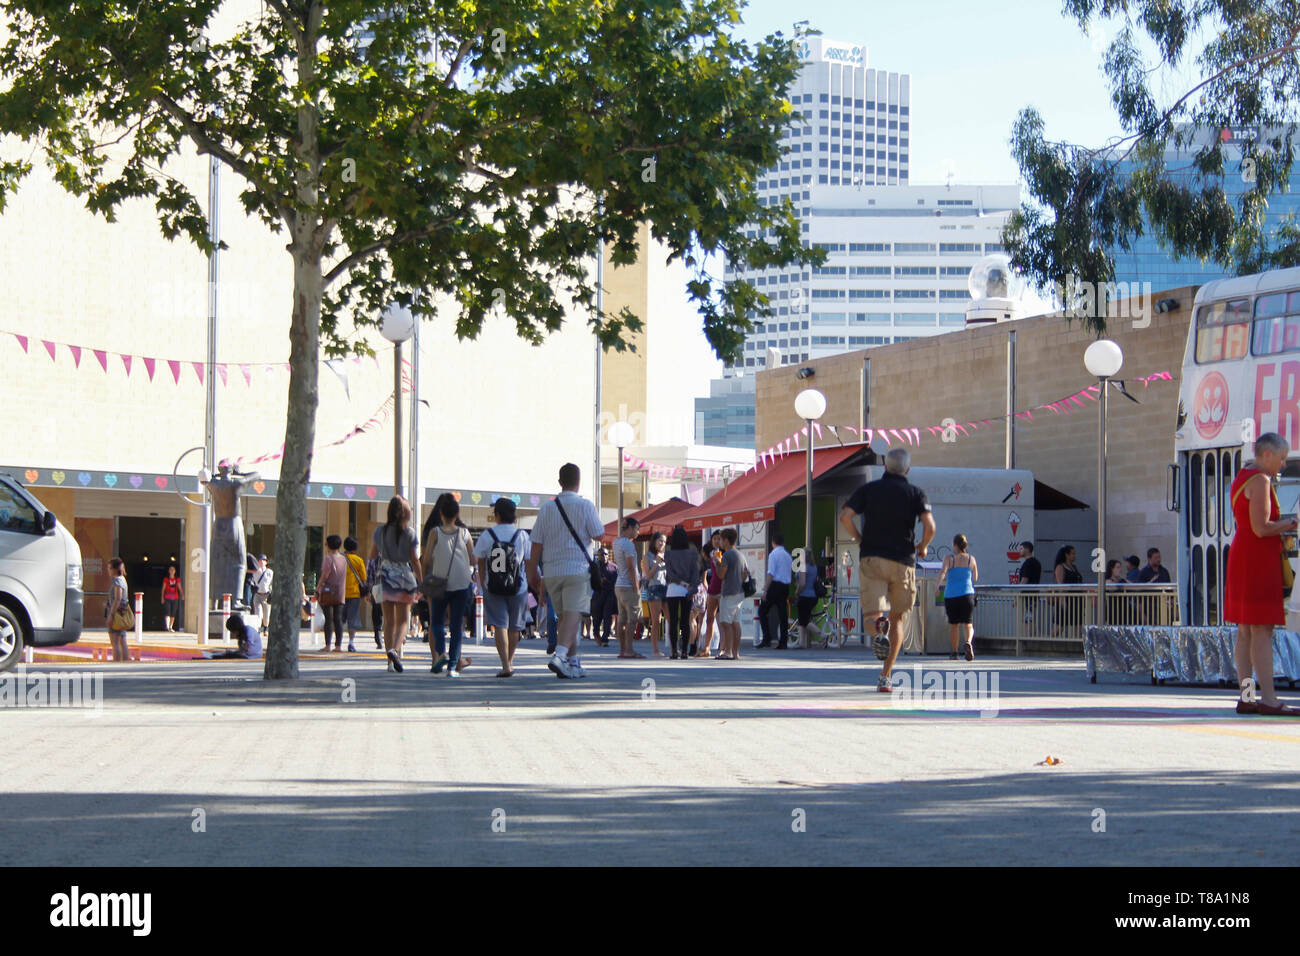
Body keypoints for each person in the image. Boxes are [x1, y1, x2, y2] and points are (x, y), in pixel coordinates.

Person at [839, 447, 936, 694]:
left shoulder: (868, 490)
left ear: (885, 467)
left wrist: (860, 539)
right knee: (898, 619)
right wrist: (923, 547)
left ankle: (878, 628)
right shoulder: (915, 493)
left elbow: (846, 517)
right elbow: (930, 526)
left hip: (872, 557)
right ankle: (886, 676)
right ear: (907, 469)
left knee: (872, 615)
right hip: (903, 560)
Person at [1226, 432, 1300, 716]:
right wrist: (1292, 522)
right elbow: (1262, 528)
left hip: (1242, 555)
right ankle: (1269, 700)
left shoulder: (1242, 478)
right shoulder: (1261, 481)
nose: (1282, 465)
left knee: (1244, 632)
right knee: (1261, 631)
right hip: (1256, 558)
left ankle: (1247, 697)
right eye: (1281, 459)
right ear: (1266, 454)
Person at [526, 463, 606, 679]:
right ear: (579, 482)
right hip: (577, 568)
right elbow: (599, 534)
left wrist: (532, 572)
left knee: (564, 618)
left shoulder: (547, 508)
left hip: (551, 570)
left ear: (559, 482)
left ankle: (572, 662)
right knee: (574, 614)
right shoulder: (585, 505)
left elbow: (536, 543)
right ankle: (560, 656)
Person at [475, 497, 531, 678]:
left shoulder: (487, 535)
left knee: (500, 624)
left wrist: (482, 583)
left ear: (497, 515)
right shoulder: (521, 535)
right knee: (515, 627)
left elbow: (480, 561)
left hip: (494, 585)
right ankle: (510, 661)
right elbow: (528, 561)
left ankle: (505, 663)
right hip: (518, 586)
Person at [422, 494, 475, 678]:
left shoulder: (434, 532)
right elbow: (473, 558)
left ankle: (441, 652)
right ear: (457, 513)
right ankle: (453, 667)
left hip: (439, 583)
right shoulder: (465, 533)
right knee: (456, 626)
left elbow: (427, 558)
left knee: (436, 622)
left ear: (441, 513)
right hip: (461, 584)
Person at [371, 495, 422, 672]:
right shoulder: (410, 533)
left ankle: (389, 663)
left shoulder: (380, 531)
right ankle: (395, 650)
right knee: (403, 621)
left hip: (384, 575)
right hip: (404, 577)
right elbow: (415, 560)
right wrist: (421, 582)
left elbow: (372, 555)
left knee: (389, 622)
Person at [664, 524, 703, 660]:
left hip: (673, 589)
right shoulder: (692, 554)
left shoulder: (668, 553)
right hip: (687, 590)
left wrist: (680, 582)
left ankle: (674, 651)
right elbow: (695, 573)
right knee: (685, 621)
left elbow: (669, 573)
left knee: (673, 621)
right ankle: (685, 651)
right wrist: (691, 587)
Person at [939, 533, 978, 661]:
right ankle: (968, 642)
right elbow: (975, 577)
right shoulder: (971, 559)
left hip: (951, 595)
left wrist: (937, 586)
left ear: (954, 544)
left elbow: (943, 572)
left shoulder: (949, 558)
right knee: (968, 623)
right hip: (967, 594)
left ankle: (955, 653)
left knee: (954, 625)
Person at [714, 527, 747, 660]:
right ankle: (735, 652)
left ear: (726, 541)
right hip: (739, 592)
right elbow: (745, 574)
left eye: (721, 539)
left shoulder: (727, 555)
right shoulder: (741, 555)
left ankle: (727, 651)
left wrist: (717, 563)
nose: (720, 542)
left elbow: (721, 574)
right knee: (735, 623)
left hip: (728, 592)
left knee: (725, 623)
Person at [612, 517, 643, 659]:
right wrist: (636, 587)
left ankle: (622, 650)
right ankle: (629, 650)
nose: (638, 532)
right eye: (636, 528)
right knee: (632, 619)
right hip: (628, 585)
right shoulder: (629, 545)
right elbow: (631, 567)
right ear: (629, 528)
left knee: (621, 618)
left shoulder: (616, 542)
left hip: (619, 584)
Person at [757, 532, 793, 649]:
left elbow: (771, 573)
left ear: (773, 542)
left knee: (762, 611)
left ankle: (766, 638)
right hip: (785, 586)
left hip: (775, 586)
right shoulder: (788, 555)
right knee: (782, 614)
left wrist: (765, 590)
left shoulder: (773, 554)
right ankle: (783, 641)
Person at [641, 531, 669, 657]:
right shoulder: (648, 557)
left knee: (670, 619)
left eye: (664, 541)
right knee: (656, 620)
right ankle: (655, 649)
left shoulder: (666, 555)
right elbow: (648, 575)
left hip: (666, 588)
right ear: (654, 541)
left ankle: (674, 648)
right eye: (660, 540)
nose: (662, 543)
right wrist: (657, 563)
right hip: (654, 588)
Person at [698, 531, 724, 657]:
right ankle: (707, 647)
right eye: (714, 539)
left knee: (722, 621)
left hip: (722, 588)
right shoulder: (711, 553)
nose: (716, 541)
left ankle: (722, 647)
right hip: (713, 587)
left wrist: (718, 560)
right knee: (709, 619)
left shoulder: (723, 554)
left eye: (719, 539)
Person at [1051, 545, 1083, 637]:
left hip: (1077, 600)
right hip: (1066, 598)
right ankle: (1049, 640)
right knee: (1060, 625)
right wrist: (1062, 599)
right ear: (1067, 555)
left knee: (1078, 624)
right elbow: (1060, 584)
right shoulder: (1060, 567)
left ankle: (1077, 643)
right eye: (1072, 553)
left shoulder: (1074, 567)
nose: (1074, 556)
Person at [104, 556, 131, 662]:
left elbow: (118, 598)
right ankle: (125, 663)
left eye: (110, 568)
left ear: (115, 569)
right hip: (122, 613)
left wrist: (111, 615)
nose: (108, 570)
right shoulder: (123, 579)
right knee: (122, 640)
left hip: (116, 614)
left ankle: (117, 663)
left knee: (115, 642)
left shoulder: (117, 581)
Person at [793, 560, 822, 648]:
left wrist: (797, 592)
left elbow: (802, 583)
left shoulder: (803, 566)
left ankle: (823, 635)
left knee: (804, 621)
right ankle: (802, 643)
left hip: (804, 595)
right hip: (813, 596)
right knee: (802, 620)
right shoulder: (814, 567)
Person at [364, 552, 384, 649]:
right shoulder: (397, 551)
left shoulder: (374, 557)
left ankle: (378, 637)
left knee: (377, 613)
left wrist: (368, 591)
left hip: (378, 587)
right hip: (394, 587)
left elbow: (369, 576)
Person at [250, 554, 273, 634]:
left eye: (263, 560)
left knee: (266, 614)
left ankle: (265, 628)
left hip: (266, 595)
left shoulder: (270, 572)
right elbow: (252, 581)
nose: (261, 562)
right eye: (259, 560)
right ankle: (258, 629)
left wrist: (271, 592)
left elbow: (272, 583)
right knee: (258, 613)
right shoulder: (255, 571)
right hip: (257, 594)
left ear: (266, 562)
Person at [161, 564, 184, 633]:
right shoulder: (166, 579)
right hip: (167, 597)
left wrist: (182, 594)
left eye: (173, 570)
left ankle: (171, 627)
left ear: (175, 571)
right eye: (170, 569)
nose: (172, 571)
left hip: (175, 598)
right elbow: (163, 588)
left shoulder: (177, 579)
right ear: (169, 571)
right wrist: (162, 597)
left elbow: (179, 587)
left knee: (173, 613)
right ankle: (167, 626)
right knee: (167, 611)